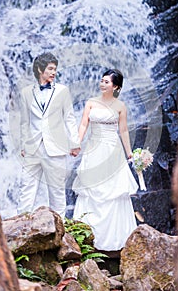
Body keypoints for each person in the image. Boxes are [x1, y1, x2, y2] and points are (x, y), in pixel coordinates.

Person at [72, 68, 138, 251]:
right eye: (101, 81)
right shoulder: (91, 103)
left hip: (112, 151)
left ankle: (116, 241)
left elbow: (123, 130)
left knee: (113, 192)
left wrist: (129, 152)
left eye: (106, 82)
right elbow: (84, 124)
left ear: (115, 86)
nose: (102, 84)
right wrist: (77, 143)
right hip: (93, 149)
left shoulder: (120, 106)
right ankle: (87, 239)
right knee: (91, 190)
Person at [17, 52, 80, 218]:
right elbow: (24, 122)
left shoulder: (62, 91)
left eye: (55, 69)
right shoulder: (25, 93)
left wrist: (75, 143)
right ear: (39, 69)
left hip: (56, 148)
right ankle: (19, 229)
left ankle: (60, 233)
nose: (54, 72)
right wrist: (23, 145)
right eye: (50, 69)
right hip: (32, 148)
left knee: (57, 192)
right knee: (26, 189)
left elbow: (69, 118)